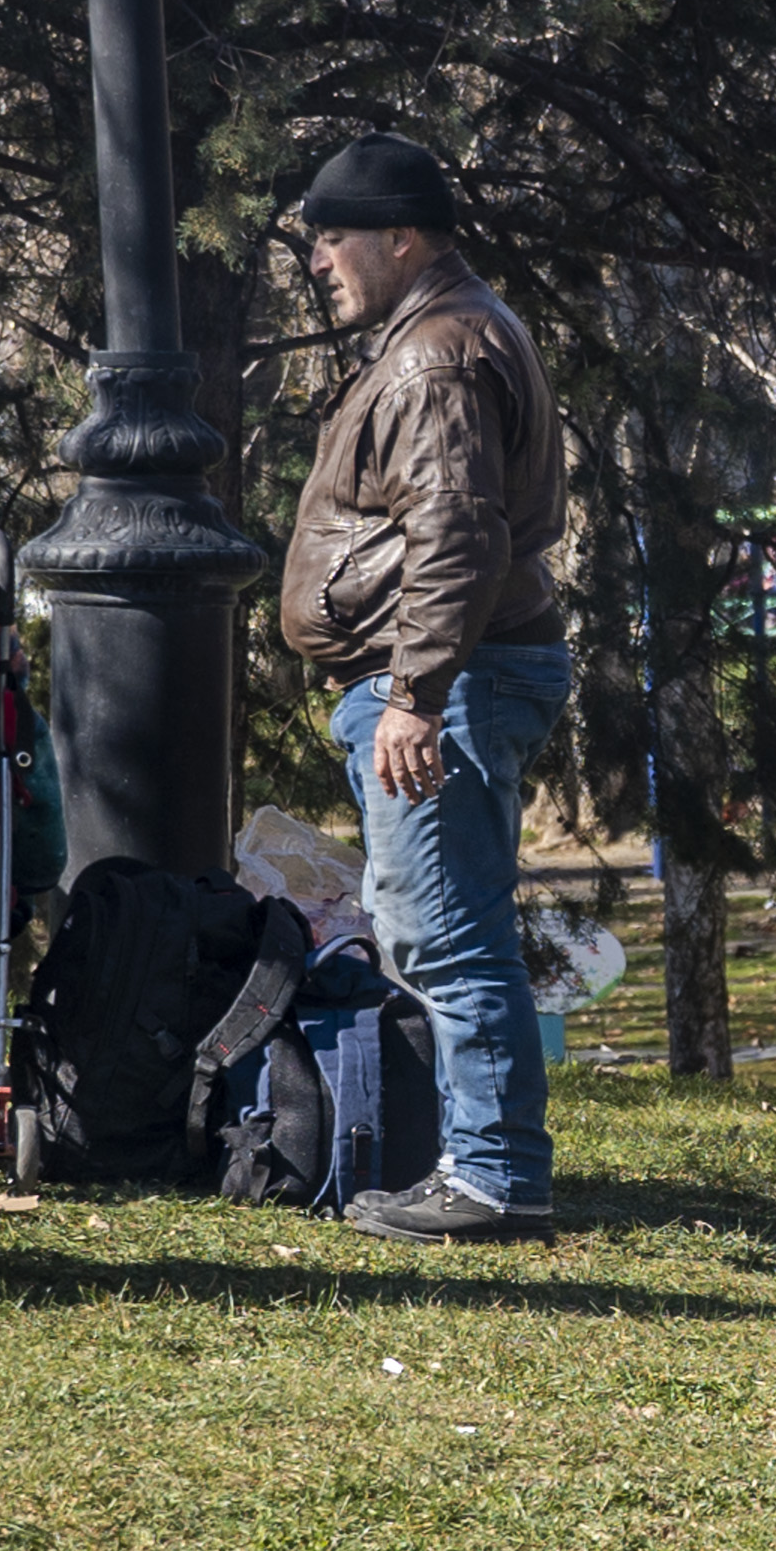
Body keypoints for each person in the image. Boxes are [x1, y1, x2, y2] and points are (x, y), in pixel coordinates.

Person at [271, 133, 572, 1244]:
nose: (317, 261)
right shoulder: (440, 334)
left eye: (334, 237)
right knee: (442, 921)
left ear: (402, 238)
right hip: (460, 669)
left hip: (453, 673)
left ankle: (492, 1179)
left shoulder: (434, 357)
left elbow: (456, 530)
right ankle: (483, 1164)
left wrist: (414, 694)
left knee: (444, 929)